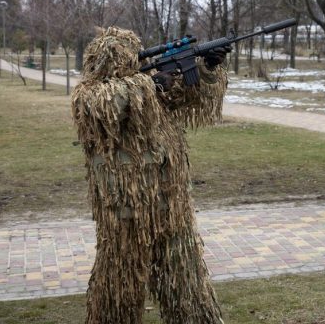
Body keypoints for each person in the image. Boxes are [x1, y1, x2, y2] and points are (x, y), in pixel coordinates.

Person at [71, 27, 228, 324]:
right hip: (125, 215)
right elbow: (109, 105)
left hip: (171, 208)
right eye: (122, 56)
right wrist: (149, 84)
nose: (132, 61)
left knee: (186, 284)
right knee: (120, 286)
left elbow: (188, 96)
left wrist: (206, 68)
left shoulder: (148, 87)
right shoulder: (89, 95)